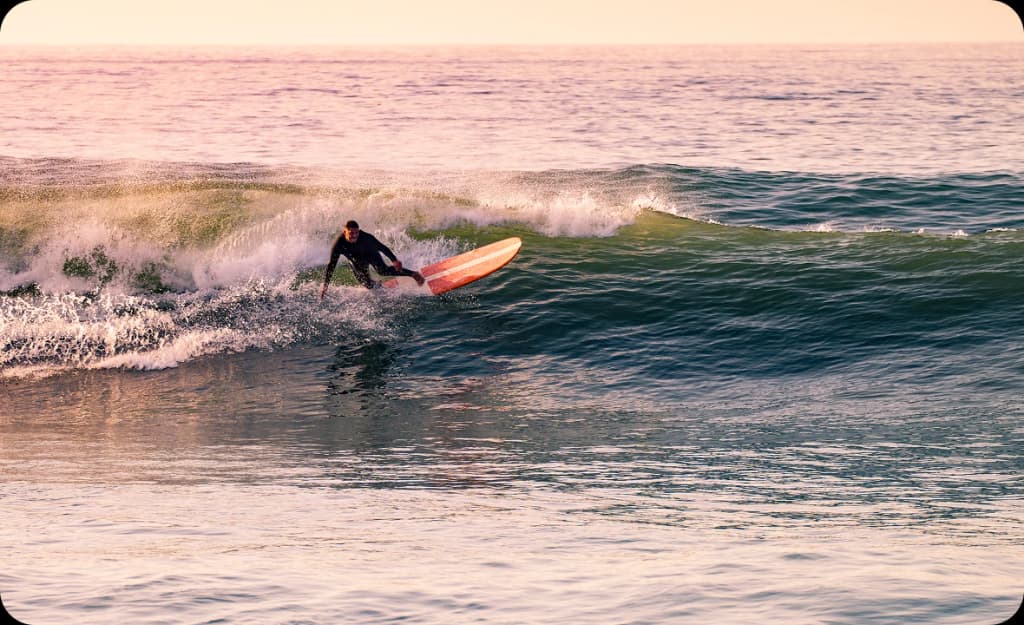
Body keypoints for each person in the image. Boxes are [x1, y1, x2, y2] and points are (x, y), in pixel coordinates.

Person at [320, 220, 424, 299]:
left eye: (356, 232)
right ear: (345, 232)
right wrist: (325, 285)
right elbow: (331, 265)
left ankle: (414, 274)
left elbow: (382, 247)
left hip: (371, 255)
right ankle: (379, 285)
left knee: (383, 271)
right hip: (356, 261)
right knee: (368, 285)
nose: (354, 236)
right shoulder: (339, 244)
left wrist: (394, 260)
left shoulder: (366, 237)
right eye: (351, 233)